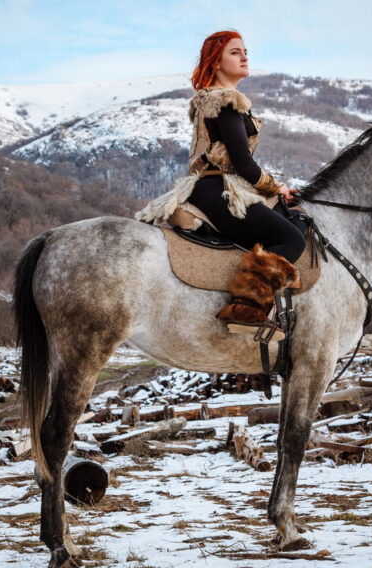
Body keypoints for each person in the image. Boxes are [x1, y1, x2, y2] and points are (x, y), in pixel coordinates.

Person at [135, 30, 305, 340]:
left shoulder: (212, 101)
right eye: (235, 52)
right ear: (215, 62)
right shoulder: (226, 102)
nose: (244, 56)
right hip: (219, 189)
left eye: (245, 51)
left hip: (216, 186)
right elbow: (242, 163)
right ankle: (246, 309)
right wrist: (275, 187)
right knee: (292, 240)